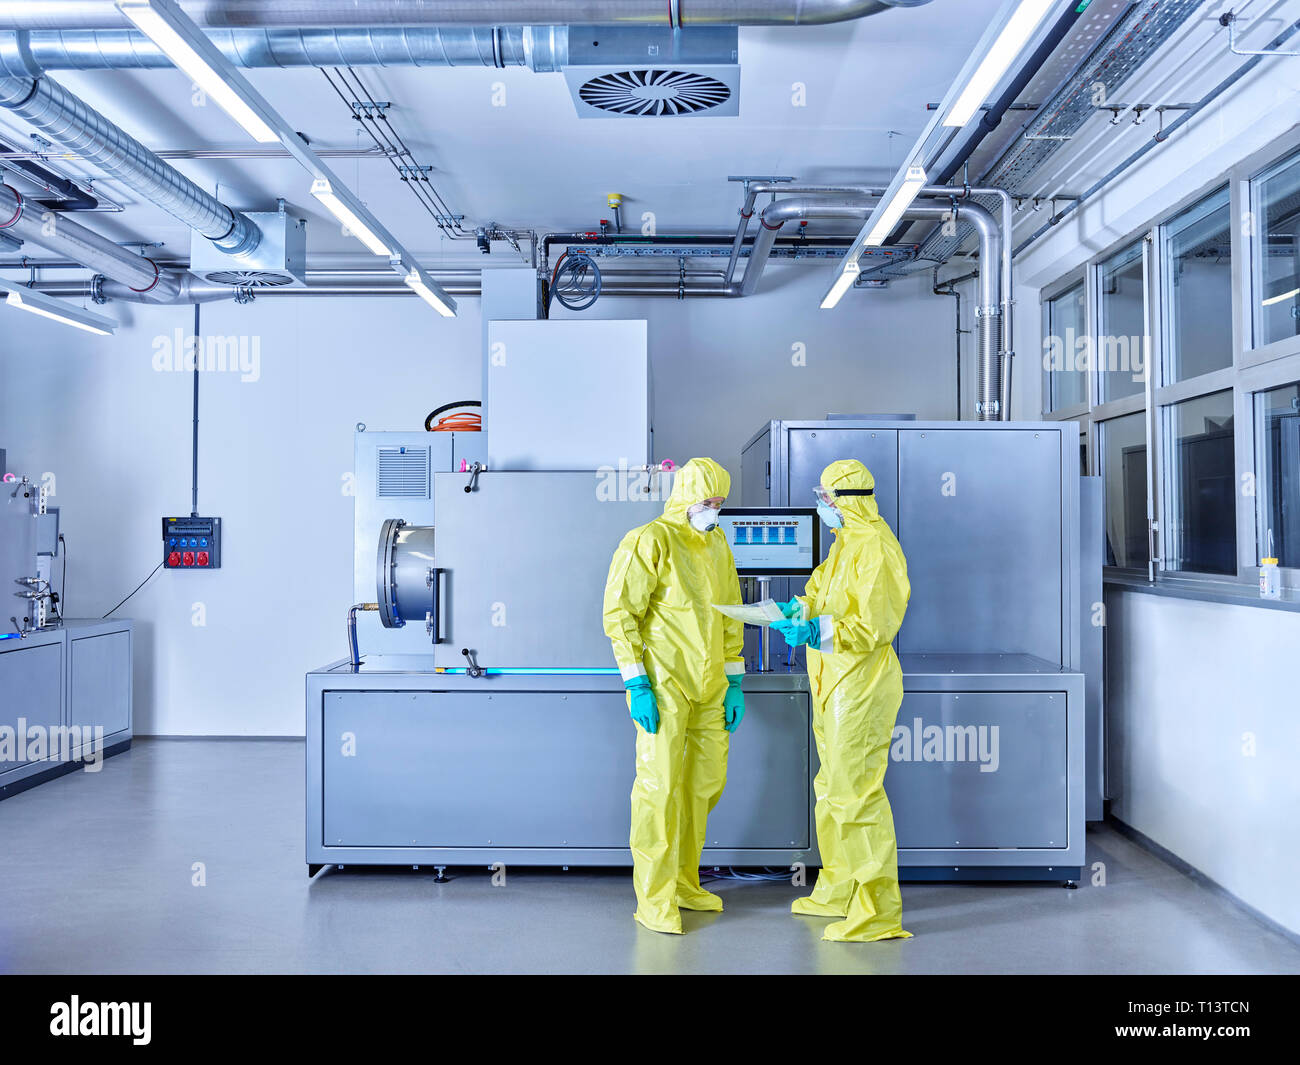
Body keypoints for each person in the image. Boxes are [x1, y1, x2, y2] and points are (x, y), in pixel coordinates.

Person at [602, 457, 746, 935]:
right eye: (709, 502)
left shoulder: (716, 543)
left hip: (710, 686)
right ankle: (655, 898)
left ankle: (685, 882)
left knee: (701, 787)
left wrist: (735, 679)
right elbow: (620, 615)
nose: (715, 511)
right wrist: (636, 681)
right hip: (664, 684)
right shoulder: (649, 540)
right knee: (659, 790)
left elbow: (729, 614)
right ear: (686, 496)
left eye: (720, 503)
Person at [772, 458, 912, 943]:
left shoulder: (875, 546)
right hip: (832, 682)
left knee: (857, 794)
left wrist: (815, 629)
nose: (821, 505)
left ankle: (877, 912)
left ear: (846, 500)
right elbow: (819, 593)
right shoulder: (843, 544)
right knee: (830, 789)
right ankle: (837, 888)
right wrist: (799, 609)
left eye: (826, 497)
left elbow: (875, 625)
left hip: (862, 685)